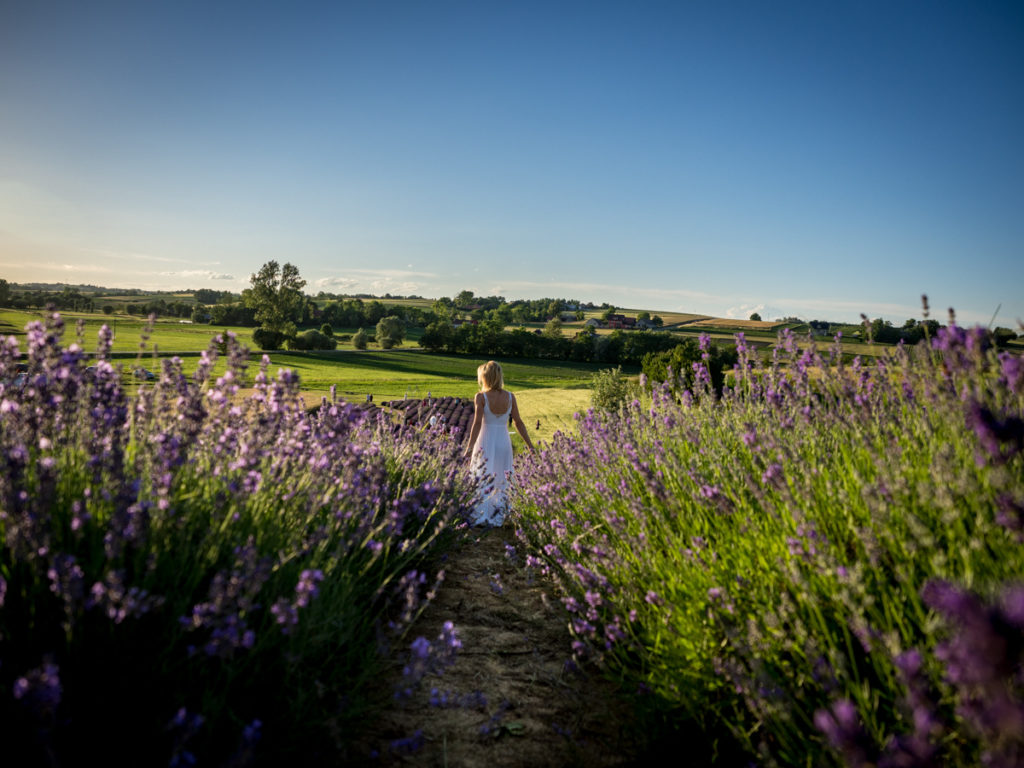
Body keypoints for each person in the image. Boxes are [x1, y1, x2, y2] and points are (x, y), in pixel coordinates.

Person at [463, 360, 535, 527]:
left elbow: (477, 424)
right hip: (503, 441)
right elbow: (518, 422)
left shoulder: (481, 397)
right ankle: (501, 513)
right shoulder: (510, 397)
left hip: (485, 440)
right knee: (503, 476)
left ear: (485, 377)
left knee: (483, 475)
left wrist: (469, 447)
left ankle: (481, 513)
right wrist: (530, 446)